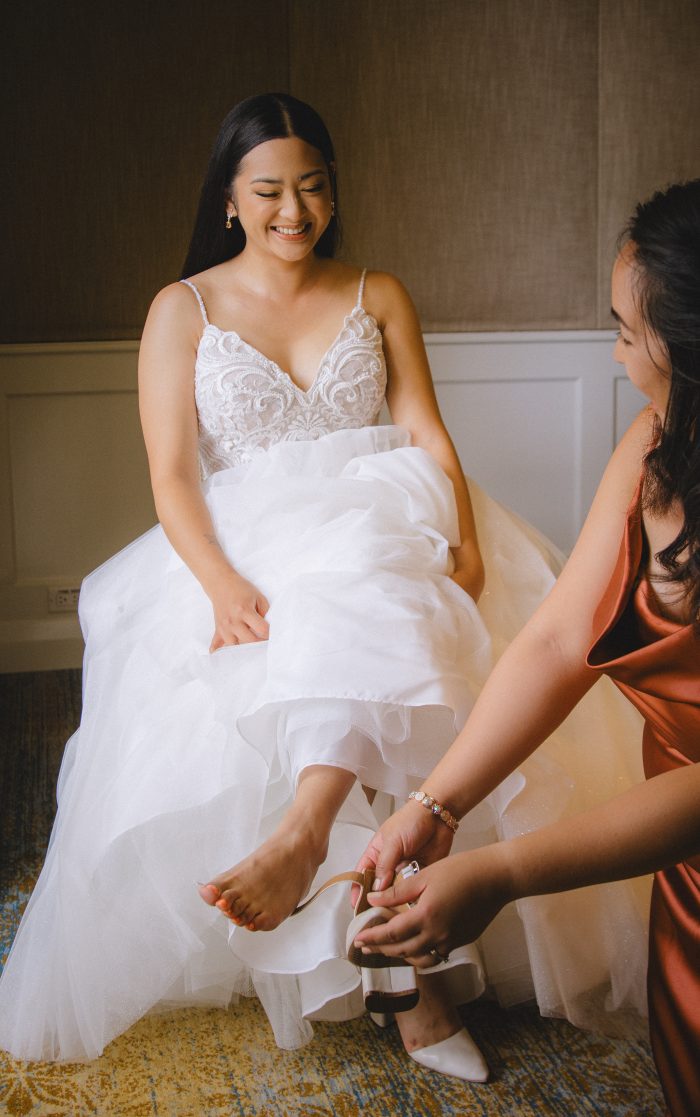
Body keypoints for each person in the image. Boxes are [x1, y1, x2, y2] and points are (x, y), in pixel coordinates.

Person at [0, 93, 647, 1081]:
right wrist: (218, 584)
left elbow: (426, 433)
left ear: (332, 191)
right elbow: (173, 476)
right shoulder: (182, 310)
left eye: (311, 187)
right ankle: (406, 977)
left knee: (389, 593)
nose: (293, 209)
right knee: (353, 613)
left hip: (394, 509)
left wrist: (466, 545)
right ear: (228, 199)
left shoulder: (376, 291)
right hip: (250, 544)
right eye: (268, 190)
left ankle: (319, 852)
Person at [353, 180, 700, 1116]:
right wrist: (437, 802)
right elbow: (556, 637)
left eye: (628, 331)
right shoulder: (655, 443)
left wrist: (502, 873)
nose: (616, 351)